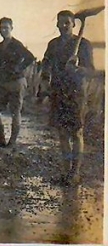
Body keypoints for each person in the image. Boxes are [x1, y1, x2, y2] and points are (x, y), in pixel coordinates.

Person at [40, 10, 94, 186]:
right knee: (62, 134)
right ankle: (65, 173)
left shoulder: (84, 45)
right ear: (56, 24)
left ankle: (75, 173)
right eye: (60, 22)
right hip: (58, 91)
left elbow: (91, 70)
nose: (63, 26)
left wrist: (78, 69)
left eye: (67, 23)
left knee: (77, 132)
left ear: (74, 25)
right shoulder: (53, 44)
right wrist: (44, 81)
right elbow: (46, 65)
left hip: (76, 93)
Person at [0, 17, 36, 148]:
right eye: (1, 28)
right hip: (4, 82)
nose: (3, 30)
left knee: (15, 112)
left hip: (17, 82)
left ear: (11, 28)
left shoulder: (16, 44)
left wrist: (18, 68)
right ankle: (1, 138)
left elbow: (30, 58)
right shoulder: (0, 46)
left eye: (6, 28)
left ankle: (12, 142)